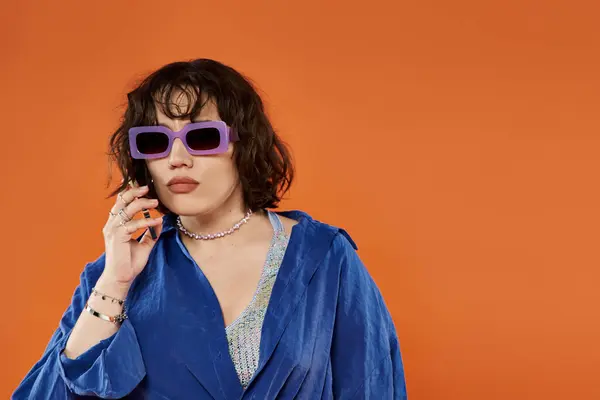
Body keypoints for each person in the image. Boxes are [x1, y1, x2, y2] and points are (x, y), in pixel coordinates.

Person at [12, 58, 407, 399]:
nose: (177, 159)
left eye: (201, 137)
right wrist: (116, 282)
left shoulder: (323, 258)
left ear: (245, 145)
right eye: (155, 140)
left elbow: (373, 387)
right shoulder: (112, 275)